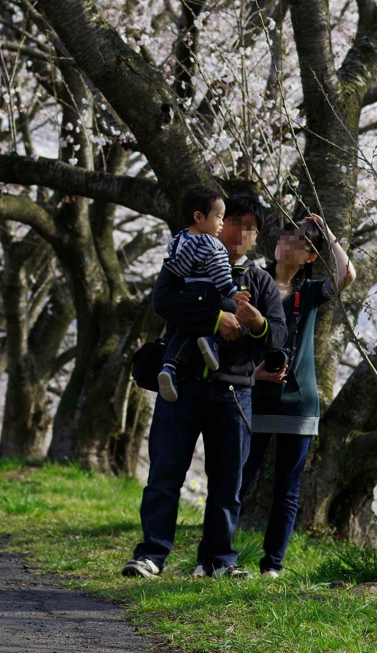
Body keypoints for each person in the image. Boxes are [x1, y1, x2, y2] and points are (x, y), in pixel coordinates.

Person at [122, 194, 287, 579]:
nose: (239, 232)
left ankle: (217, 561)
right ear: (217, 221)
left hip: (235, 393)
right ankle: (151, 555)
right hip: (180, 386)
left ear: (256, 237)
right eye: (233, 221)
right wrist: (216, 320)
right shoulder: (186, 264)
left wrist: (259, 323)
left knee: (228, 485)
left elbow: (278, 335)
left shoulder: (260, 281)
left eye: (250, 227)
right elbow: (162, 301)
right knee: (165, 475)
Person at [239, 213, 356, 578]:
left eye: (301, 243)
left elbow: (347, 275)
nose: (289, 243)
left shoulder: (308, 292)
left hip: (299, 400)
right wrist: (253, 373)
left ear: (308, 257)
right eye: (286, 237)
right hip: (254, 395)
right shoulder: (252, 284)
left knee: (287, 490)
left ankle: (272, 565)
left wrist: (328, 233)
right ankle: (217, 556)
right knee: (239, 480)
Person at [156, 185, 251, 399]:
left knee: (185, 328)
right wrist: (232, 291)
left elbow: (176, 266)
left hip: (187, 291)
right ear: (199, 217)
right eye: (219, 217)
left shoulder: (180, 239)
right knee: (239, 316)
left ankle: (169, 366)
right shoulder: (211, 244)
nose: (222, 223)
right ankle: (211, 341)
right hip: (208, 291)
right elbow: (219, 272)